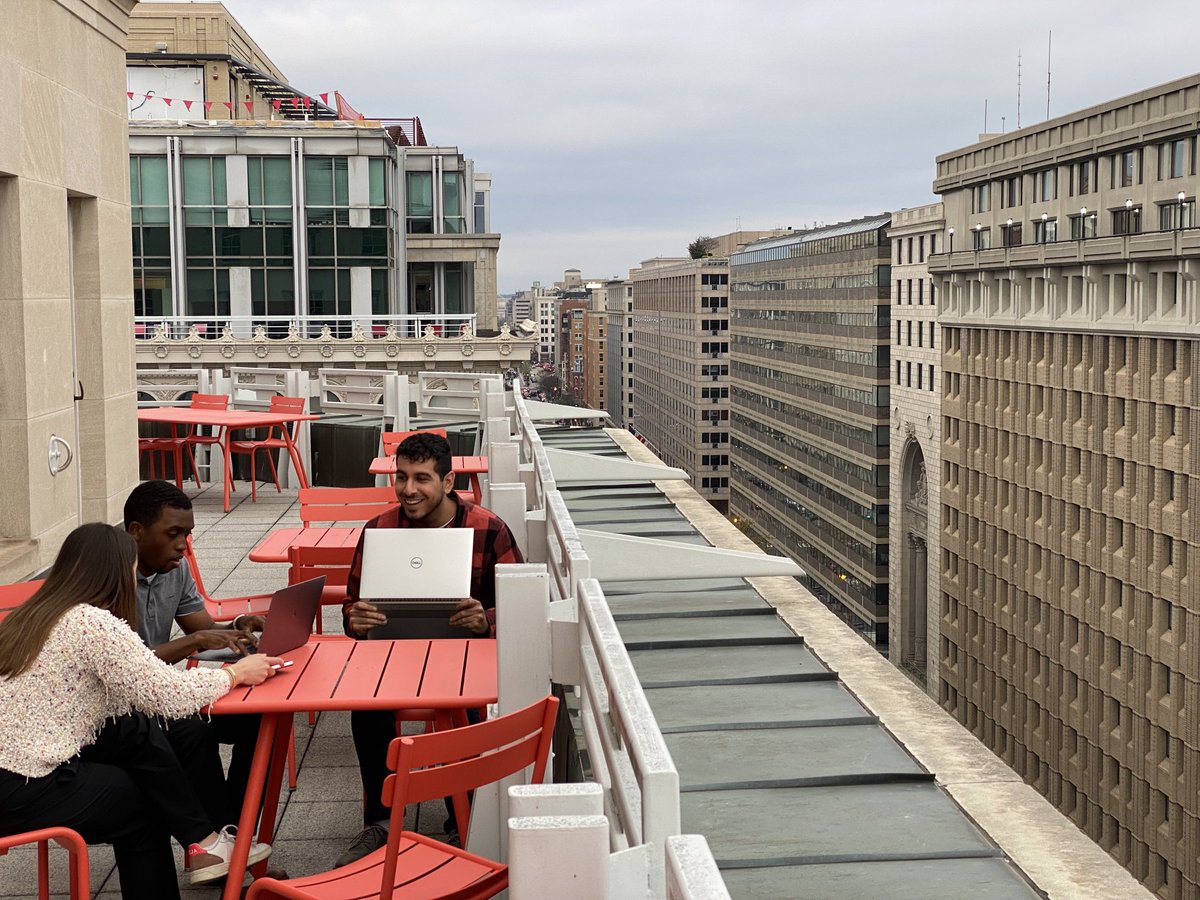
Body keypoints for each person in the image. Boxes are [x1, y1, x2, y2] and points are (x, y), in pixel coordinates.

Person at [0, 523, 283, 899]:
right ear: (117, 572)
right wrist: (234, 674)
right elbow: (163, 693)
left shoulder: (29, 616)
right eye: (132, 570)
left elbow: (132, 700)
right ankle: (204, 844)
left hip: (23, 763)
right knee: (141, 805)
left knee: (138, 727)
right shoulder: (92, 623)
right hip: (25, 782)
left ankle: (205, 843)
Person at [336, 432, 523, 866]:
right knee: (366, 707)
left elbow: (522, 600)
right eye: (401, 478)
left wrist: (487, 620)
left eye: (421, 478)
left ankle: (467, 821)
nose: (408, 490)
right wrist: (354, 620)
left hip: (465, 660)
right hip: (392, 655)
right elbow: (351, 605)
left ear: (448, 480)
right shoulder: (379, 529)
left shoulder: (487, 527)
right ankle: (380, 822)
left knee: (470, 711)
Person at [123, 480, 265, 831]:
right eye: (173, 533)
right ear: (136, 532)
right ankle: (226, 838)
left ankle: (231, 830)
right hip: (126, 706)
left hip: (164, 692)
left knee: (258, 719)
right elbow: (128, 669)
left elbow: (200, 629)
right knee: (191, 732)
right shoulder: (109, 579)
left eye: (187, 534)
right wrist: (199, 639)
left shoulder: (174, 568)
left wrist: (237, 629)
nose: (183, 546)